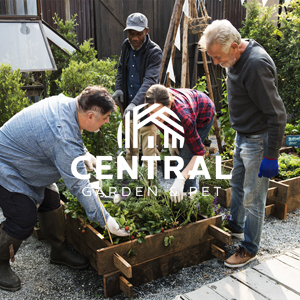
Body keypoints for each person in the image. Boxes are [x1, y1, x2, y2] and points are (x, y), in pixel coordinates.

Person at [0, 85, 129, 292]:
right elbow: (79, 184)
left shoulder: (68, 106)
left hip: (29, 160)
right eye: (104, 118)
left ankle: (58, 250)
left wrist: (84, 152)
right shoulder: (63, 137)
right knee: (23, 219)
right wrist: (106, 220)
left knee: (51, 200)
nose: (106, 122)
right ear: (90, 116)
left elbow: (73, 135)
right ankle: (0, 261)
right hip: (7, 166)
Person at [199, 20, 286, 268]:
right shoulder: (233, 56)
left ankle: (250, 248)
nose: (216, 63)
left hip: (258, 140)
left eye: (218, 57)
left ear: (236, 47)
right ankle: (235, 227)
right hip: (242, 135)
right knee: (236, 184)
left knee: (253, 198)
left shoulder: (256, 65)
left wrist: (271, 155)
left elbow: (277, 115)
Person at [144, 84, 215, 202]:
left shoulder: (184, 117)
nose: (156, 117)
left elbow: (199, 154)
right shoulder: (151, 108)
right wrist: (172, 141)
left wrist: (181, 179)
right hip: (188, 109)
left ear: (170, 104)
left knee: (185, 161)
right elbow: (164, 126)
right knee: (183, 157)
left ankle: (190, 201)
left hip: (203, 112)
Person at [112, 12, 162, 176]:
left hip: (148, 110)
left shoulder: (154, 52)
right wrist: (119, 87)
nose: (134, 38)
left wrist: (135, 103)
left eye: (138, 34)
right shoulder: (126, 46)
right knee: (131, 151)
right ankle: (133, 189)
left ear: (146, 31)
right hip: (129, 111)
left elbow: (150, 81)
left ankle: (149, 192)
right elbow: (121, 69)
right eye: (131, 34)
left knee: (149, 154)